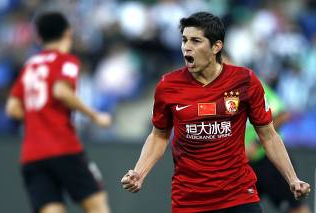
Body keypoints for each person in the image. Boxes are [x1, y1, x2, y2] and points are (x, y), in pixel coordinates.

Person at [120, 11, 310, 213]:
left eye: (195, 41)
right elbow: (158, 136)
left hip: (238, 196)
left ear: (216, 46)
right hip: (190, 200)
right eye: (184, 40)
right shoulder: (168, 86)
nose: (187, 47)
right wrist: (139, 172)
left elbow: (269, 135)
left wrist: (292, 179)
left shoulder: (245, 80)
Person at [6, 12, 111, 213]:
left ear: (39, 38)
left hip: (32, 155)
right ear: (68, 33)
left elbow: (13, 108)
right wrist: (95, 115)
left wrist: (38, 115)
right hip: (63, 147)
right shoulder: (66, 60)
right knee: (98, 205)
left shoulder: (30, 65)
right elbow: (60, 91)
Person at [245, 83, 311, 213]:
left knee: (294, 207)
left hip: (268, 159)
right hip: (243, 166)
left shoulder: (248, 84)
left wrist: (256, 143)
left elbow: (282, 114)